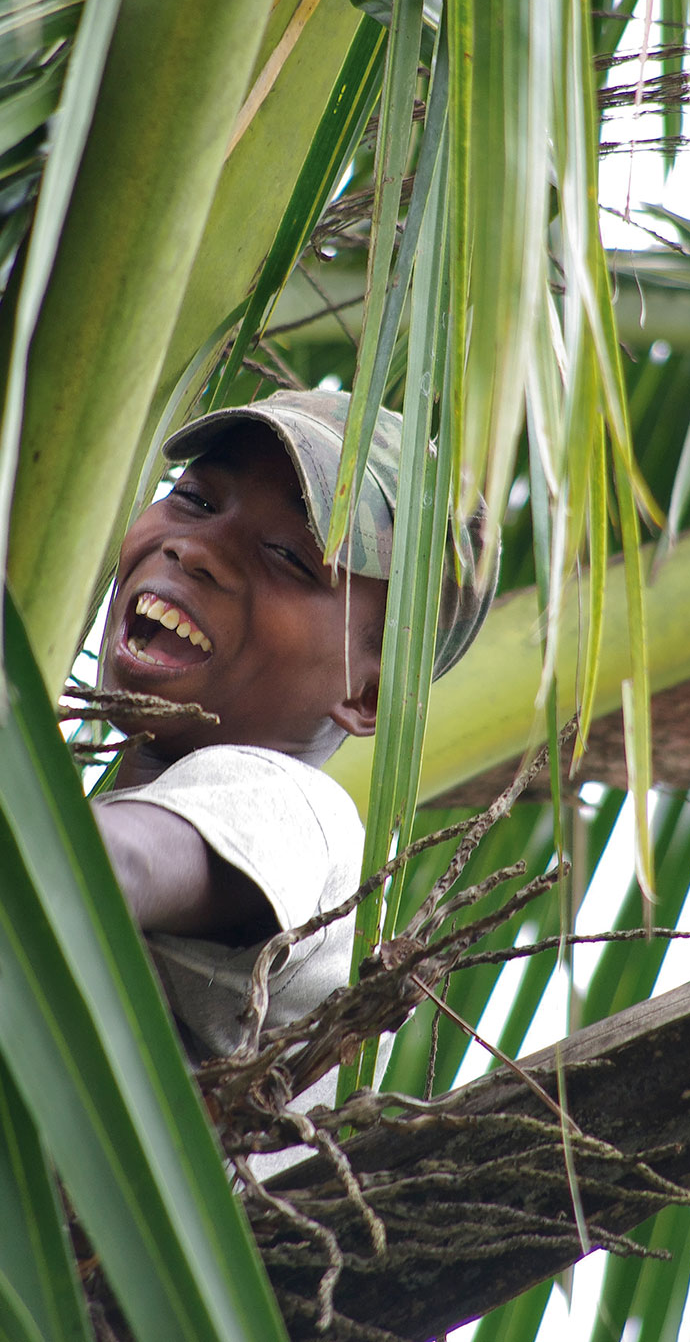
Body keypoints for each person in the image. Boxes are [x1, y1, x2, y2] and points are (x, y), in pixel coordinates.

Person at [92, 388, 496, 1155]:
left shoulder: (294, 806)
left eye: (287, 557)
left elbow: (100, 864)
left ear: (367, 691)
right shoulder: (140, 788)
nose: (196, 549)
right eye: (196, 499)